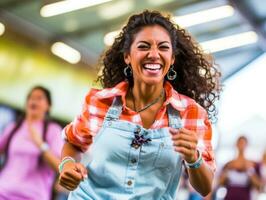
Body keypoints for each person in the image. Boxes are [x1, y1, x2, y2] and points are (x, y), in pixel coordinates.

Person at [59, 10, 221, 199]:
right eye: (144, 46)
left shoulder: (191, 113)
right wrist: (67, 164)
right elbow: (73, 143)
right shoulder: (101, 102)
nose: (154, 54)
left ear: (173, 58)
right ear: (127, 56)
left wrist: (194, 158)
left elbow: (205, 187)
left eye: (163, 47)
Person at [0, 86, 64, 200]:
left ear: (48, 106)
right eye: (31, 97)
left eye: (39, 98)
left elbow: (60, 167)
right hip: (3, 192)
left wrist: (41, 145)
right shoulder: (15, 127)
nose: (33, 100)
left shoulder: (53, 130)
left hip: (33, 196)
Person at [218, 136, 261, 200]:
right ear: (236, 144)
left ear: (247, 145)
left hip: (245, 197)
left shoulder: (253, 164)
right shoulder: (228, 164)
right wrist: (227, 171)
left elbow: (259, 186)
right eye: (240, 143)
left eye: (243, 143)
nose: (241, 145)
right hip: (229, 197)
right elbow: (219, 183)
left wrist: (249, 170)